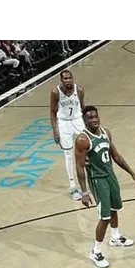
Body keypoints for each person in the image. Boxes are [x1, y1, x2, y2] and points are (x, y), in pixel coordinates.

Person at [74, 106, 135, 268]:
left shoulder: (106, 133)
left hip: (110, 175)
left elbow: (116, 156)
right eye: (90, 118)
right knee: (104, 217)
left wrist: (132, 173)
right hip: (98, 180)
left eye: (95, 117)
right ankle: (95, 251)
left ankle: (115, 237)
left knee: (114, 208)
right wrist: (84, 192)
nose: (94, 120)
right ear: (84, 121)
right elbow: (79, 166)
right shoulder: (82, 140)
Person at [50, 69, 86, 201]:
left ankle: (90, 178)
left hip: (77, 120)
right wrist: (55, 130)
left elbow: (83, 107)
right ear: (61, 80)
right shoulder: (55, 92)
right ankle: (73, 186)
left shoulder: (79, 90)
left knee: (87, 149)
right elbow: (52, 112)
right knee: (68, 154)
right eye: (65, 78)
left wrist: (87, 125)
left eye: (70, 78)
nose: (68, 80)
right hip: (64, 122)